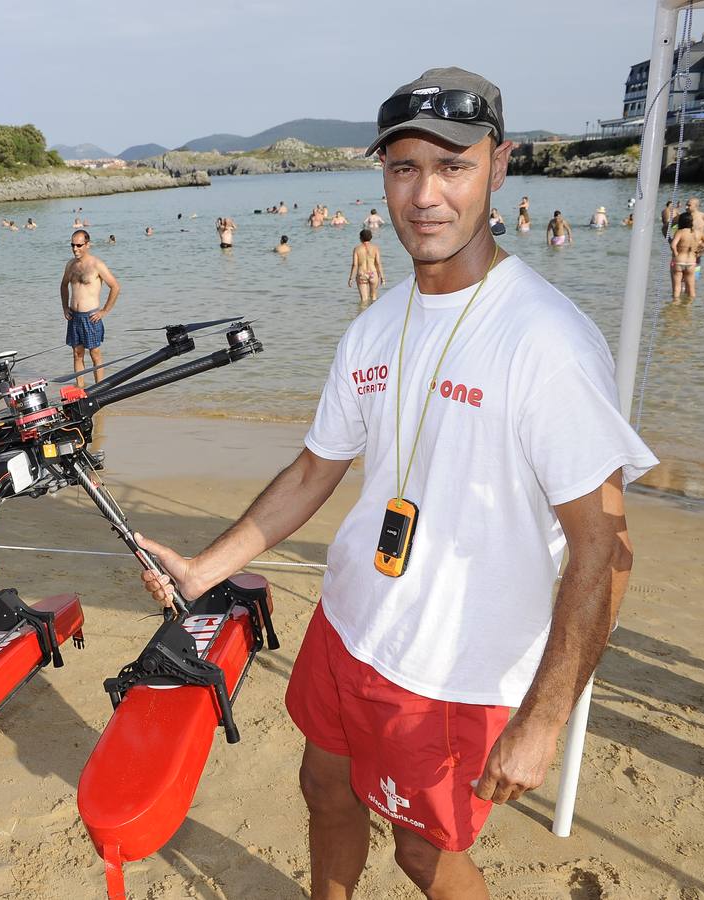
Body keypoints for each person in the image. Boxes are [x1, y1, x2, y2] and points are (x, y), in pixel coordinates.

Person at [137, 67, 655, 899]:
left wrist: (546, 719)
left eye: (452, 166)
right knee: (323, 791)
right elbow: (314, 469)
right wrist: (205, 569)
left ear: (500, 166)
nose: (425, 194)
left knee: (424, 855)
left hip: (453, 668)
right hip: (349, 625)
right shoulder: (375, 326)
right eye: (404, 168)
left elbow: (608, 547)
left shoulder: (546, 341)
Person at [60, 229, 120, 387]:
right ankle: (80, 388)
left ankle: (100, 389)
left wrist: (104, 311)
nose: (75, 249)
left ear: (87, 244)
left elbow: (115, 287)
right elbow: (63, 285)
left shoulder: (96, 265)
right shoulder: (70, 265)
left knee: (95, 354)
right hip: (74, 316)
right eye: (72, 245)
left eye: (79, 245)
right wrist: (65, 308)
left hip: (91, 317)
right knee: (77, 354)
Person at [670, 209, 704, 303]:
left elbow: (673, 245)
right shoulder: (699, 233)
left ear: (681, 221)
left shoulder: (680, 232)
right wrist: (700, 254)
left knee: (677, 288)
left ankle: (674, 309)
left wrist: (675, 254)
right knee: (691, 289)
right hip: (691, 262)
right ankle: (689, 310)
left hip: (679, 260)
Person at [348, 228, 385, 303]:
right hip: (373, 274)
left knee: (364, 300)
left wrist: (351, 278)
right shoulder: (375, 248)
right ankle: (374, 313)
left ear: (360, 238)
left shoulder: (357, 249)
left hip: (362, 274)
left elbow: (355, 265)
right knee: (374, 298)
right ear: (371, 237)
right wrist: (382, 277)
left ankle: (362, 313)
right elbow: (378, 263)